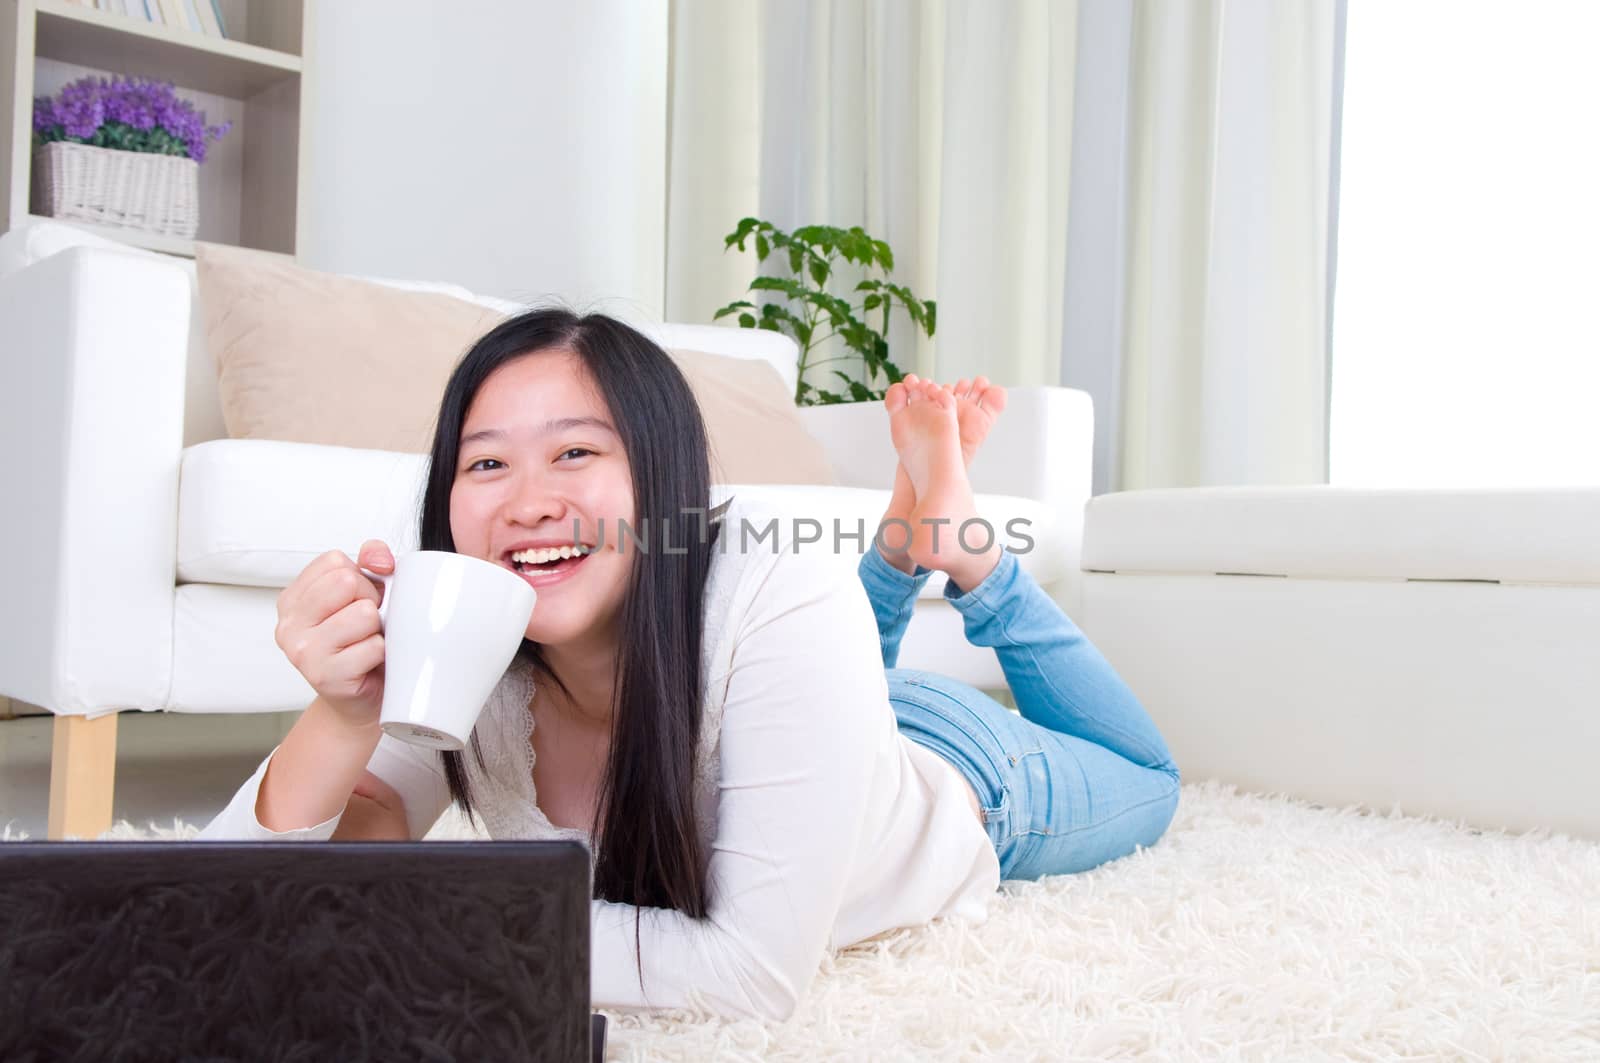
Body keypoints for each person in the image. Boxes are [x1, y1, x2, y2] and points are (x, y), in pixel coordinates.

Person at [198, 308, 1180, 1022]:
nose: (528, 500)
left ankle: (965, 553)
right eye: (486, 463)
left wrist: (452, 930)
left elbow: (751, 974)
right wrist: (340, 715)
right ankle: (894, 546)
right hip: (822, 707)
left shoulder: (777, 583)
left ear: (662, 479)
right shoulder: (471, 635)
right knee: (825, 668)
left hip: (965, 773)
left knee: (1152, 780)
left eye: (575, 452)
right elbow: (251, 897)